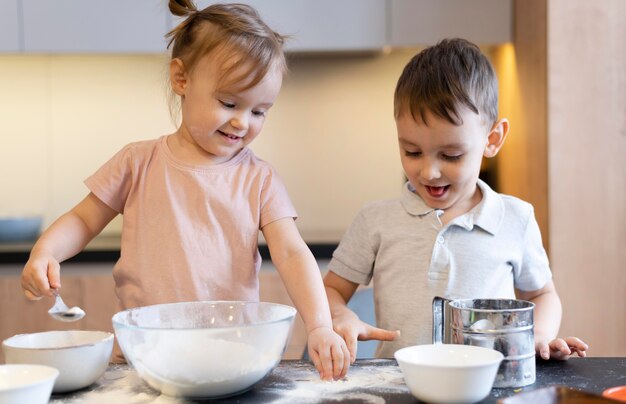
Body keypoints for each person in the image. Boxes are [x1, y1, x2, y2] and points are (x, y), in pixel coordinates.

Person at [20, 1, 349, 381]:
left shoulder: (259, 179)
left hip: (231, 357)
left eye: (260, 111)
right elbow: (83, 219)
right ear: (182, 79)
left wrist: (320, 324)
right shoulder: (137, 162)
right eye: (229, 102)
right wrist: (46, 251)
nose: (243, 122)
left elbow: (292, 252)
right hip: (142, 359)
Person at [323, 38, 589, 364]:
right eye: (412, 152)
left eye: (451, 155)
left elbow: (542, 295)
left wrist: (537, 336)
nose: (429, 171)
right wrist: (339, 315)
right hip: (400, 385)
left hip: (491, 383)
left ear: (492, 140)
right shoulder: (375, 221)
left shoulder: (515, 218)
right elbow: (330, 290)